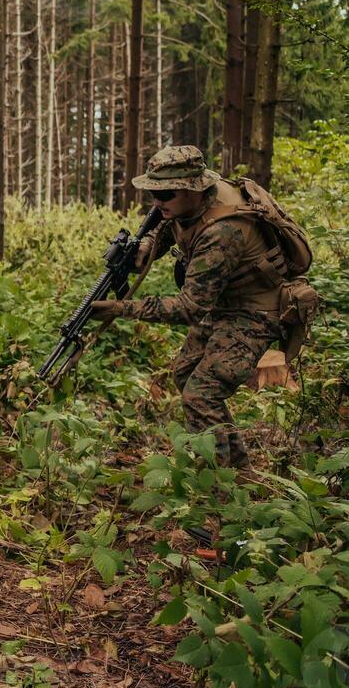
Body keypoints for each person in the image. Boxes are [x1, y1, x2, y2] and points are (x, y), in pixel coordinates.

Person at [90, 145, 315, 467]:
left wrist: (121, 308)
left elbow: (191, 306)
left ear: (192, 189)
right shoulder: (188, 204)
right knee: (184, 374)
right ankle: (213, 453)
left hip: (255, 312)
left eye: (166, 194)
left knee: (202, 393)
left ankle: (232, 476)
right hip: (221, 303)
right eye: (153, 193)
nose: (157, 202)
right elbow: (168, 227)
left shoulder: (224, 232)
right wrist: (149, 246)